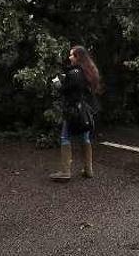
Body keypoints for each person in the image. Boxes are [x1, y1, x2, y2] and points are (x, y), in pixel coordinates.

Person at [49, 45, 101, 182]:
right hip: (86, 111)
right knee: (85, 138)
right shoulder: (89, 71)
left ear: (78, 57)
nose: (69, 57)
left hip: (73, 111)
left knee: (65, 137)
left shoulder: (74, 72)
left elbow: (64, 90)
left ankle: (65, 172)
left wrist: (57, 83)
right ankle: (88, 170)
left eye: (72, 55)